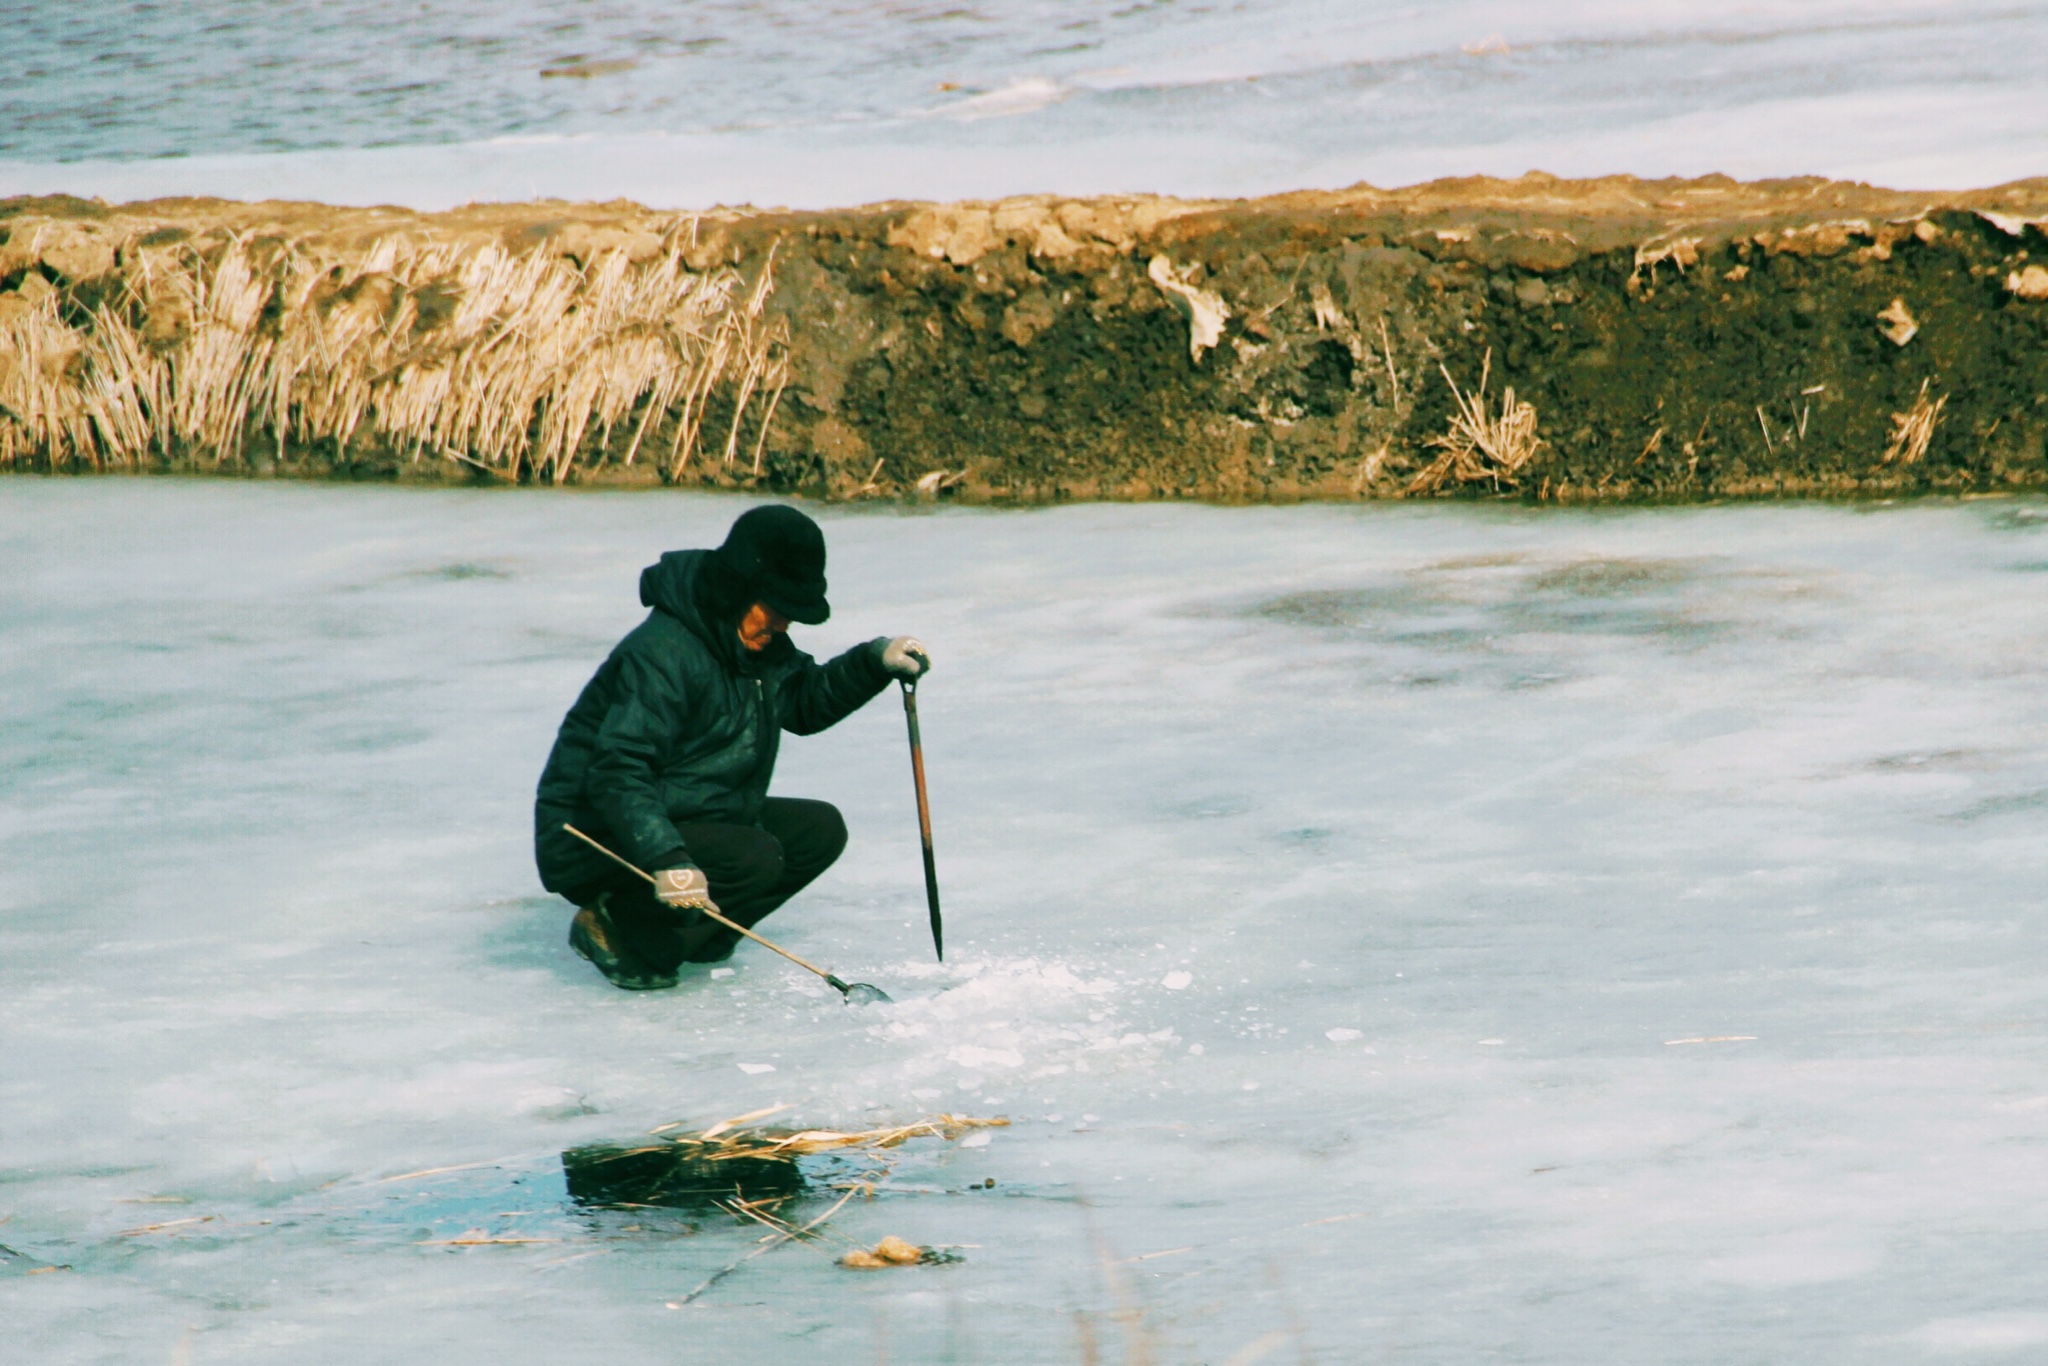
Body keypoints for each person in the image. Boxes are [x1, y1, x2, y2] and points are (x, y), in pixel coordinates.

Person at [533, 505, 929, 990]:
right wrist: (668, 860)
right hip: (594, 832)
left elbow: (803, 704)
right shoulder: (664, 652)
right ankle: (614, 926)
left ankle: (699, 937)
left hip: (686, 812)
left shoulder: (753, 644)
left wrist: (874, 663)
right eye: (778, 609)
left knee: (817, 830)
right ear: (739, 587)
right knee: (753, 856)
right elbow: (619, 770)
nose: (784, 624)